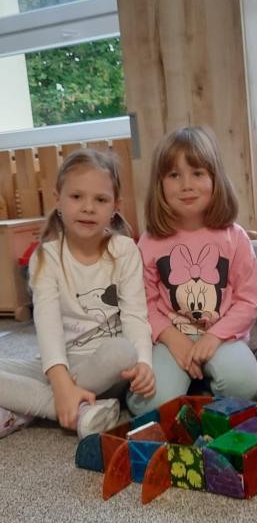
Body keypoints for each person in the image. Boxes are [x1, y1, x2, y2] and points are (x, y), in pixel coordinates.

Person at [0, 149, 155, 440]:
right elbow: (48, 328)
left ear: (115, 206)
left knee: (122, 351)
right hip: (61, 365)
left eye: (100, 200)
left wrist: (144, 363)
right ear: (58, 199)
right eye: (76, 197)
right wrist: (60, 384)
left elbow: (135, 315)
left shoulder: (124, 250)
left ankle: (37, 404)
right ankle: (75, 408)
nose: (88, 208)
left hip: (106, 368)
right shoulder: (45, 257)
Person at [128, 125, 257, 414]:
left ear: (215, 178)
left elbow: (249, 301)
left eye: (197, 173)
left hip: (223, 336)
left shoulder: (235, 237)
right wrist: (172, 338)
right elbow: (143, 303)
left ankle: (203, 384)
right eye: (174, 175)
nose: (186, 185)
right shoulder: (149, 242)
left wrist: (213, 338)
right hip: (170, 338)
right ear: (160, 184)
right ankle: (194, 383)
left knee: (244, 386)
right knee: (150, 405)